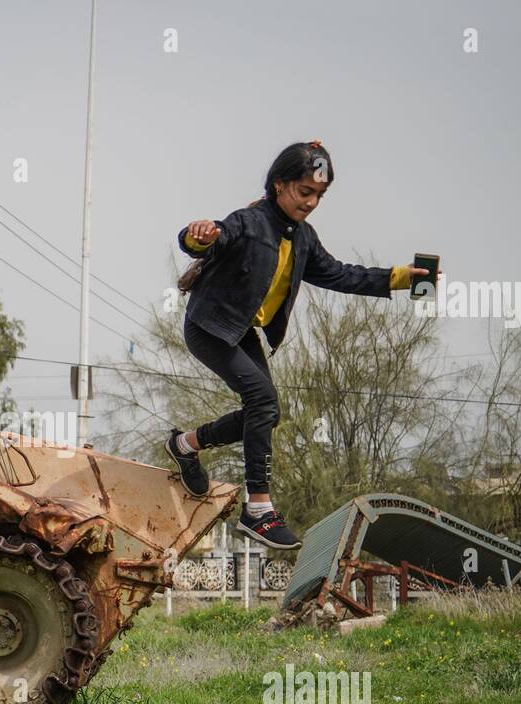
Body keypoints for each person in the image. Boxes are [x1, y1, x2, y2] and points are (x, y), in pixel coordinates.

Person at [165, 139, 431, 549]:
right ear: (279, 186)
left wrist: (399, 277)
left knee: (265, 412)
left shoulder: (303, 238)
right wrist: (197, 235)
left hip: (240, 332)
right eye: (305, 192)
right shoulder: (249, 222)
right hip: (209, 327)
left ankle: (185, 445)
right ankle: (258, 510)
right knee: (263, 401)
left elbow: (341, 274)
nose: (311, 203)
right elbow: (208, 238)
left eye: (319, 196)